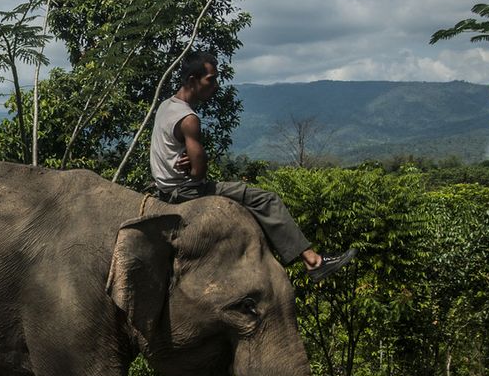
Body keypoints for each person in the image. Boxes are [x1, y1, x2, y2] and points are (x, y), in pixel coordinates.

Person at [149, 53, 354, 282]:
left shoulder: (166, 105)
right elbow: (199, 173)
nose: (216, 86)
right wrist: (198, 161)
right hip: (185, 192)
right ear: (193, 79)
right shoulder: (188, 118)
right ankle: (312, 260)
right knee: (267, 200)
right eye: (211, 79)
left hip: (164, 189)